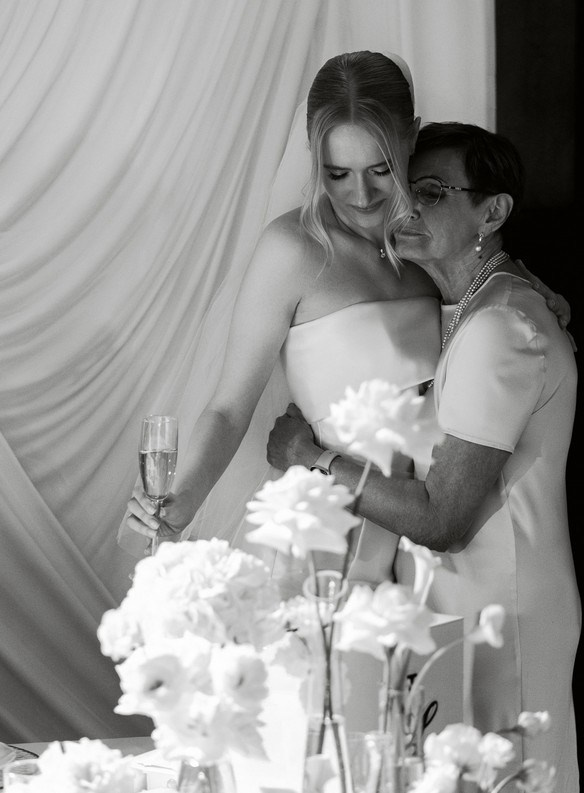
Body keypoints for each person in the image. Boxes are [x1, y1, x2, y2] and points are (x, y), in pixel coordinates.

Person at [120, 51, 569, 585]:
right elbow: (228, 407)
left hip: (412, 537)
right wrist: (182, 501)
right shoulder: (292, 250)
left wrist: (533, 287)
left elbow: (483, 291)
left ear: (411, 139)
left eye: (381, 170)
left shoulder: (424, 247)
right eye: (337, 173)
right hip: (322, 531)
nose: (361, 195)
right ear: (314, 158)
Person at [265, 122, 580, 791]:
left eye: (432, 193)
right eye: (409, 190)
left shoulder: (502, 326)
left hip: (504, 609)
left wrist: (311, 455)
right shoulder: (470, 305)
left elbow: (444, 520)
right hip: (461, 605)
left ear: (492, 212)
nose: (406, 207)